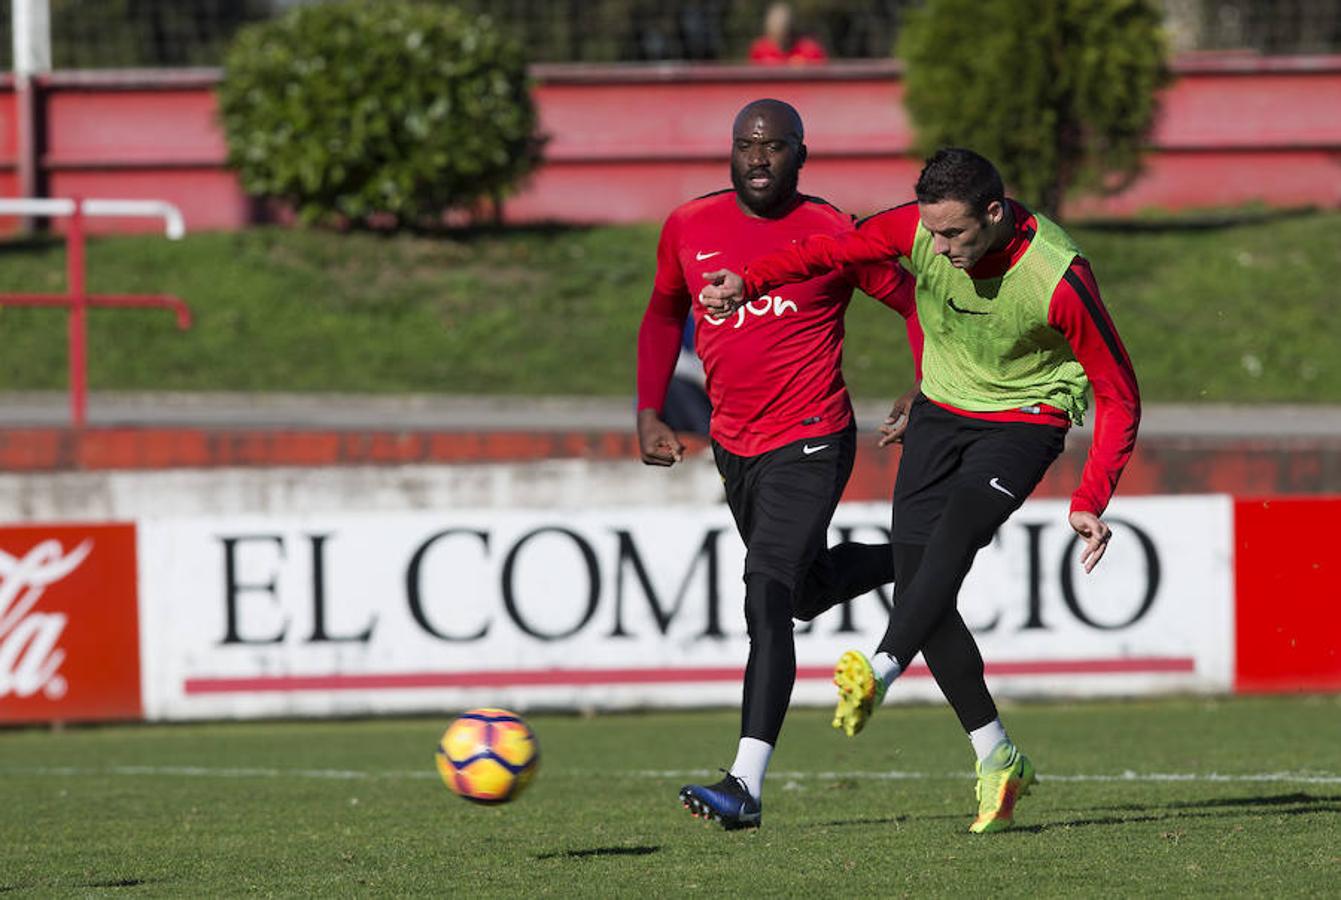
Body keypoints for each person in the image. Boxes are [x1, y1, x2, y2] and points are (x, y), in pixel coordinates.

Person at [700, 147, 1141, 833]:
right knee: (919, 580)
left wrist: (1089, 499)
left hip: (1024, 421)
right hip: (940, 411)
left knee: (955, 535)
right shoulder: (916, 231)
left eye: (955, 235)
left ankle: (878, 668)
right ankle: (997, 755)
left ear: (993, 213)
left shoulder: (1058, 278)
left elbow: (1118, 395)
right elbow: (831, 252)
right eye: (931, 233)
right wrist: (749, 283)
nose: (936, 249)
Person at [636, 98, 920, 830]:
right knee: (801, 592)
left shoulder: (833, 231)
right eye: (744, 144)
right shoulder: (688, 225)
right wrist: (647, 407)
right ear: (729, 152)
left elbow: (915, 303)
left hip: (813, 435)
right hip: (736, 445)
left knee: (764, 593)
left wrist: (926, 382)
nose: (757, 157)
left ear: (801, 153)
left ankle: (744, 785)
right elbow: (665, 311)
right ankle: (919, 555)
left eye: (773, 145)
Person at [748, 2, 828, 66]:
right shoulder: (760, 49)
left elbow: (822, 76)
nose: (781, 37)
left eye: (785, 31)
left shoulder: (810, 50)